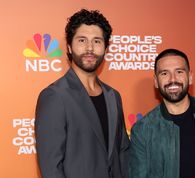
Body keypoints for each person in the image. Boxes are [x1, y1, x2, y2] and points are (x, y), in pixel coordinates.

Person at [35, 9, 129, 178]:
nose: (90, 48)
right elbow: (51, 169)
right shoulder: (55, 96)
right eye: (82, 40)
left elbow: (122, 154)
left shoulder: (113, 96)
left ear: (106, 48)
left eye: (97, 41)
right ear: (69, 47)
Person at [128, 48, 195, 178]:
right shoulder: (142, 131)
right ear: (156, 81)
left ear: (190, 77)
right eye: (164, 73)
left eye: (179, 72)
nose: (173, 79)